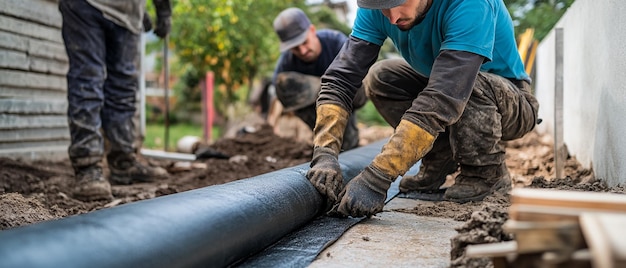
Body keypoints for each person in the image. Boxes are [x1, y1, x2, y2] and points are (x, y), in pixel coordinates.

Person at [307, 0, 540, 217]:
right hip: (448, 91)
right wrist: (325, 153)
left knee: (467, 83)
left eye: (399, 3)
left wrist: (377, 178)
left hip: (510, 104)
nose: (392, 18)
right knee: (382, 78)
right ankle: (439, 159)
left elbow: (444, 95)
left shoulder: (470, 4)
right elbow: (341, 79)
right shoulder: (377, 7)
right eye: (384, 9)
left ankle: (487, 174)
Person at [59, 0, 172, 201]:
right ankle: (87, 168)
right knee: (87, 81)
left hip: (126, 15)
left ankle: (123, 163)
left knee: (123, 88)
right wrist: (163, 10)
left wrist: (140, 9)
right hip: (86, 6)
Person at [271, 7, 368, 151]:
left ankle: (345, 135)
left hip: (349, 98)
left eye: (304, 43)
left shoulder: (336, 42)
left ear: (312, 30)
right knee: (284, 83)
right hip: (314, 109)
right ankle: (320, 132)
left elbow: (358, 75)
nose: (303, 51)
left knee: (347, 147)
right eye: (295, 48)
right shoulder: (287, 62)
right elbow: (278, 90)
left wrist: (327, 89)